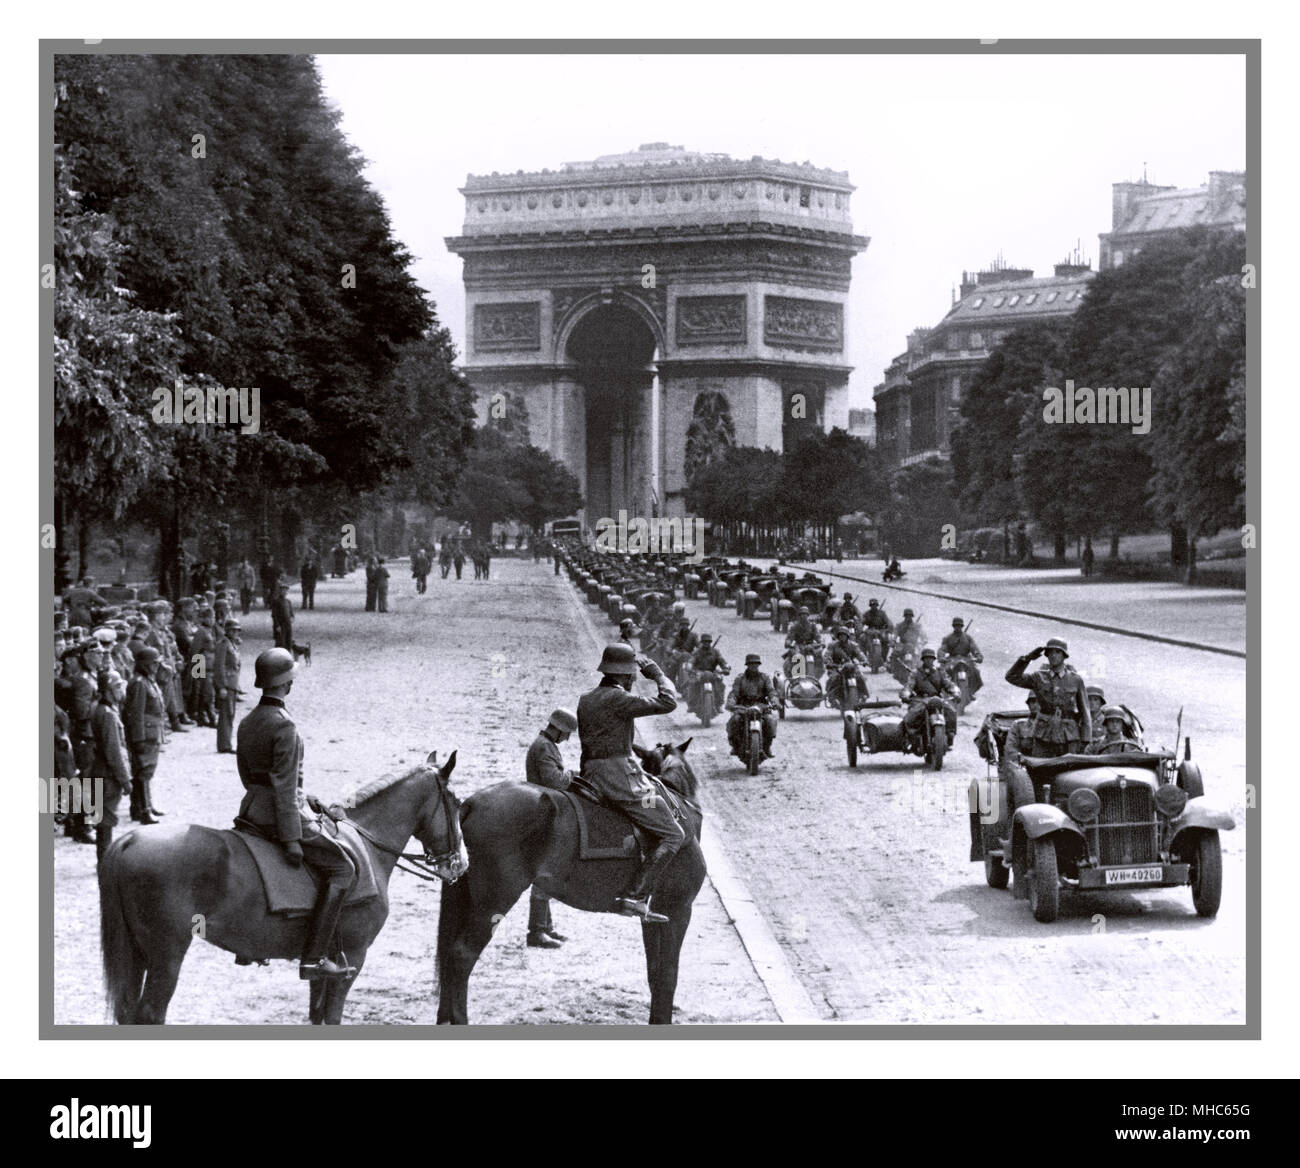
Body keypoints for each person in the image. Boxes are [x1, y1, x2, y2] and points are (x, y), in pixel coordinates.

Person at [236, 648, 356, 981]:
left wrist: (306, 796)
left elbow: (252, 777)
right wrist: (291, 839)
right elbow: (284, 787)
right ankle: (314, 958)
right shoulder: (284, 725)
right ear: (287, 683)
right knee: (342, 868)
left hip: (251, 809)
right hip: (280, 815)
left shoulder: (247, 721)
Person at [576, 644, 682, 923]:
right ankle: (635, 896)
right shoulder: (618, 699)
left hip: (590, 772)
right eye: (632, 674)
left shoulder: (586, 699)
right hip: (621, 778)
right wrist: (657, 674)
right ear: (624, 676)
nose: (634, 678)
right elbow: (668, 703)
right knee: (673, 832)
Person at [524, 709, 579, 949]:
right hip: (545, 812)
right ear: (557, 728)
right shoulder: (545, 747)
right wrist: (574, 775)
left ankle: (545, 927)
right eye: (565, 733)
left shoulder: (545, 744)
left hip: (546, 807)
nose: (566, 738)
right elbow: (554, 781)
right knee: (546, 872)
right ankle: (537, 931)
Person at [1004, 638, 1092, 756]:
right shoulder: (1038, 677)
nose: (1053, 655)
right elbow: (1012, 677)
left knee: (1067, 770)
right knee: (1039, 770)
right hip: (1043, 734)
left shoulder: (1075, 680)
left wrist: (1086, 739)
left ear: (1064, 656)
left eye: (1057, 652)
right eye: (1050, 652)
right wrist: (1027, 659)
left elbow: (1085, 711)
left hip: (1068, 736)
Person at [89, 670, 133, 864]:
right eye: (117, 686)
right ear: (108, 690)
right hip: (107, 775)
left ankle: (103, 860)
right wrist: (125, 780)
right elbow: (114, 751)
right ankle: (105, 863)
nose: (121, 689)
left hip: (100, 771)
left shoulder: (102, 709)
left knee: (103, 820)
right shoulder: (107, 714)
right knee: (106, 821)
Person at [122, 646, 167, 824]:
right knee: (143, 772)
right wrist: (138, 738)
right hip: (145, 734)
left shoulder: (147, 680)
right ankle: (144, 809)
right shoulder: (140, 683)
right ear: (146, 665)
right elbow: (137, 713)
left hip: (151, 732)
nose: (157, 667)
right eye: (154, 663)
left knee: (146, 771)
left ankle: (141, 806)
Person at [726, 654, 779, 760]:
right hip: (743, 706)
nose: (753, 666)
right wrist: (731, 703)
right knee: (734, 720)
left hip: (761, 706)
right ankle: (735, 746)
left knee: (770, 721)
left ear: (758, 665)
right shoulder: (740, 678)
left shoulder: (765, 677)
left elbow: (771, 691)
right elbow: (734, 693)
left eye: (756, 664)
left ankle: (767, 747)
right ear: (747, 665)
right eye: (751, 664)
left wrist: (774, 701)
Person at [901, 648, 960, 743]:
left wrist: (955, 692)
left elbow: (949, 684)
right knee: (911, 715)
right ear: (923, 660)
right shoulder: (916, 673)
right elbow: (909, 685)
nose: (929, 660)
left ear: (934, 660)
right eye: (926, 658)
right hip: (920, 699)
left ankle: (950, 735)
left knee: (951, 711)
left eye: (931, 658)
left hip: (936, 699)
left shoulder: (940, 672)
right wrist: (905, 695)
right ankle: (912, 735)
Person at [213, 617, 242, 754]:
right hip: (226, 682)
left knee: (230, 713)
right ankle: (224, 744)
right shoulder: (223, 644)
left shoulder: (231, 644)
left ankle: (226, 742)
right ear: (228, 631)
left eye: (238, 631)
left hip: (232, 682)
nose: (236, 633)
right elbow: (219, 666)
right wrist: (222, 686)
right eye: (233, 631)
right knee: (226, 714)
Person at [939, 617, 984, 699]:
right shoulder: (948, 638)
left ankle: (971, 691)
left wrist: (978, 656)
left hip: (966, 659)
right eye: (956, 626)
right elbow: (942, 649)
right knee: (943, 671)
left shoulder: (968, 638)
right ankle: (945, 691)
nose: (958, 627)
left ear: (962, 626)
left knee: (976, 672)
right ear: (953, 626)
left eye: (959, 626)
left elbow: (974, 648)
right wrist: (941, 657)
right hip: (952, 659)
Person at [826, 629, 869, 708]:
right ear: (838, 636)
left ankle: (864, 694)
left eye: (844, 635)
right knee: (832, 678)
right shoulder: (833, 645)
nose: (842, 637)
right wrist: (828, 662)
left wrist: (864, 661)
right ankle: (831, 698)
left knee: (860, 677)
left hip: (850, 666)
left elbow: (860, 654)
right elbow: (828, 655)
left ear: (847, 636)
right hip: (836, 666)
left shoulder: (853, 645)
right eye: (840, 635)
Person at [688, 634, 729, 709]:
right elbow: (692, 660)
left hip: (712, 672)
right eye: (704, 642)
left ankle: (719, 704)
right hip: (699, 672)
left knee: (720, 685)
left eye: (708, 642)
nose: (706, 643)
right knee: (693, 683)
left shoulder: (715, 652)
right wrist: (690, 666)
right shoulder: (697, 652)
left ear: (710, 642)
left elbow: (721, 660)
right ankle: (691, 704)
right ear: (702, 642)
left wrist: (725, 667)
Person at [271, 578, 294, 649]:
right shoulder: (276, 601)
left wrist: (292, 618)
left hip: (288, 624)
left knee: (289, 642)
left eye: (286, 590)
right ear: (280, 591)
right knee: (281, 643)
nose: (284, 592)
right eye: (283, 590)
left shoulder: (288, 601)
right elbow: (274, 615)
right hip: (281, 625)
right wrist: (277, 625)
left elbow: (291, 613)